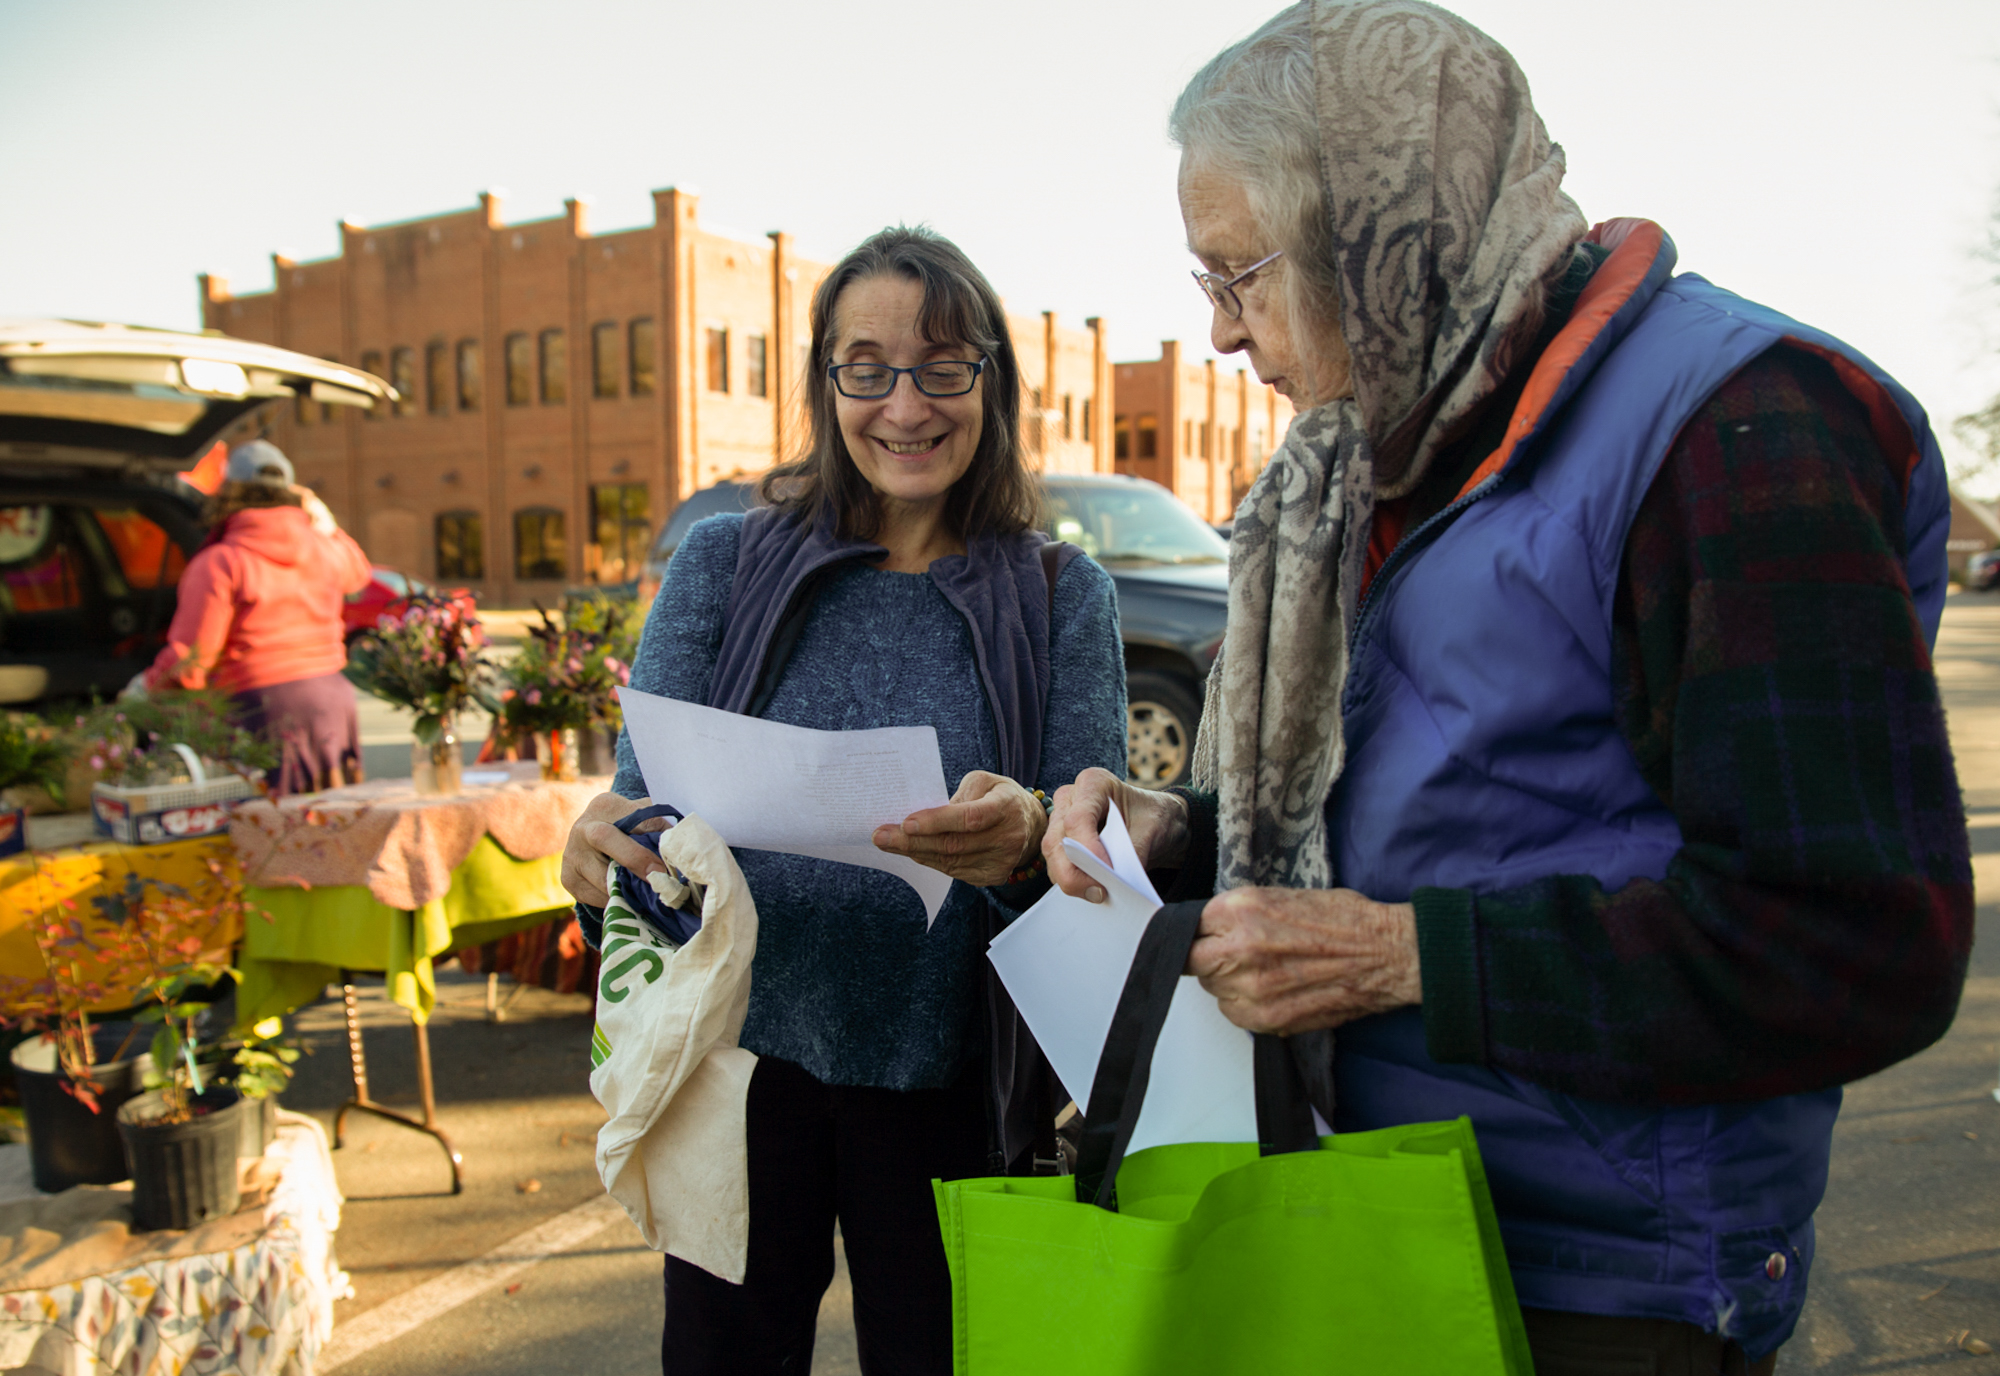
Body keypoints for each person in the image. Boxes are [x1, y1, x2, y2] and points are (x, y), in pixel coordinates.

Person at [1043, 4, 1972, 1373]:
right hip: (1377, 1206)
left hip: (1609, 1281)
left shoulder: (1731, 427)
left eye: (1241, 275)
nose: (1226, 335)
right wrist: (1176, 827)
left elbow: (1858, 945)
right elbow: (1423, 805)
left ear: (1380, 228)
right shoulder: (1374, 454)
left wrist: (1402, 955)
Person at [559, 226, 1127, 1374]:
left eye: (942, 364)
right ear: (824, 384)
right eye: (865, 366)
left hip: (955, 1076)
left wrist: (1026, 837)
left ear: (991, 384)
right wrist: (598, 843)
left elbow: (1095, 859)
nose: (903, 404)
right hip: (739, 1063)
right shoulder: (722, 563)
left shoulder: (1061, 592)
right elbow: (639, 824)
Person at [141, 439, 373, 795]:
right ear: (295, 493)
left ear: (228, 492)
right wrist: (325, 522)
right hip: (333, 702)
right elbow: (358, 572)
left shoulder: (221, 562)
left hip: (263, 709)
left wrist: (145, 690)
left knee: (272, 833)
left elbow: (192, 660)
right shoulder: (323, 548)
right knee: (333, 829)